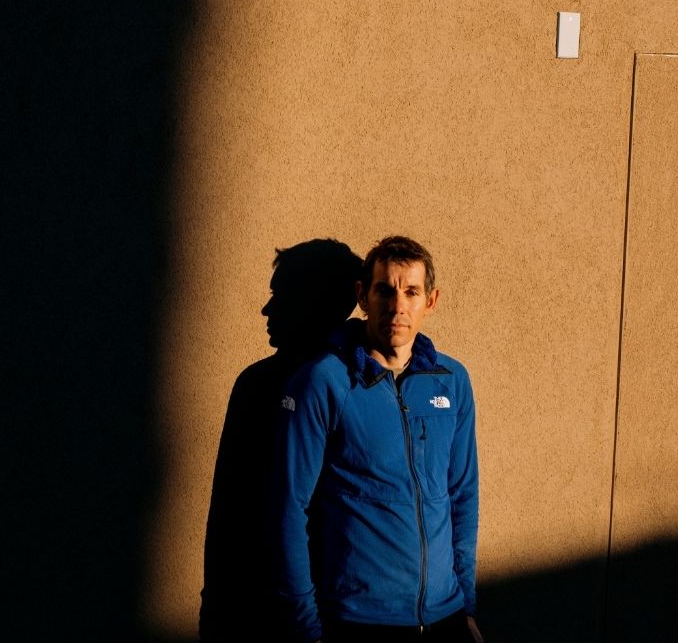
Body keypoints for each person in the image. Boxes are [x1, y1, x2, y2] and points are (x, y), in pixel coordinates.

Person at [271, 235, 483, 642]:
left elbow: (462, 495)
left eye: (411, 292)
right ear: (362, 296)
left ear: (431, 301)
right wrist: (306, 629)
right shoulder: (323, 382)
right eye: (384, 289)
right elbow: (287, 509)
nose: (398, 305)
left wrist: (467, 608)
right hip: (359, 622)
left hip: (446, 618)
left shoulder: (452, 382)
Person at [201, 239, 363, 641]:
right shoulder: (258, 386)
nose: (266, 309)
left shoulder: (365, 388)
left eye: (280, 296)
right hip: (262, 613)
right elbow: (230, 513)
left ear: (316, 302)